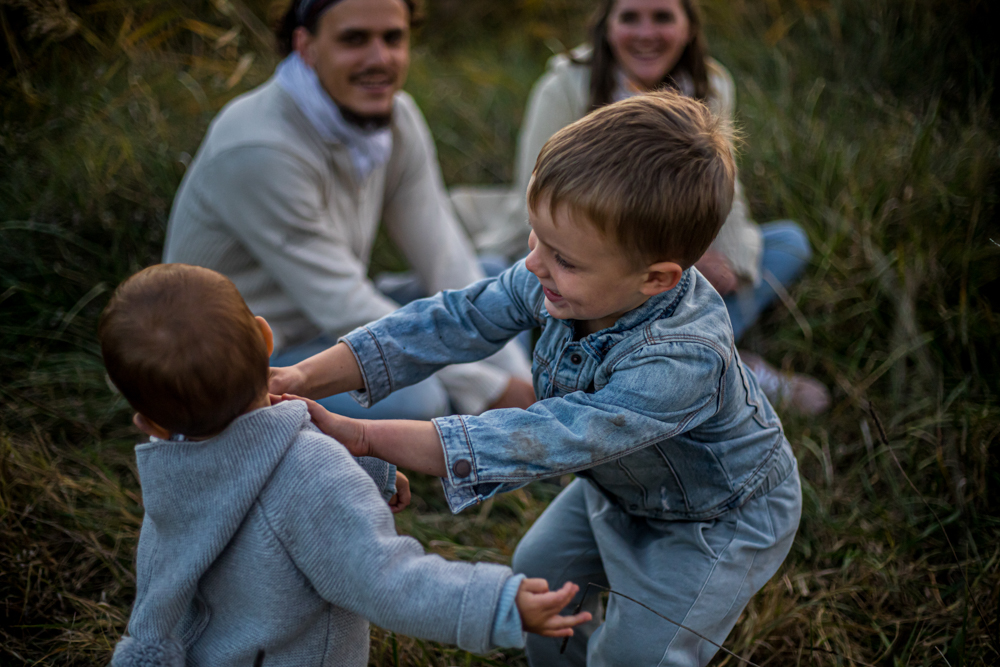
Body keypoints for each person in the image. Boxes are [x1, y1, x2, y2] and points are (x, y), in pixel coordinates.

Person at [270, 91, 803, 666]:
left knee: (638, 656)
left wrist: (367, 437)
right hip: (619, 491)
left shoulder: (679, 361)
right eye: (535, 237)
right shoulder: (559, 276)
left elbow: (544, 438)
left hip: (714, 518)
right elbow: (454, 320)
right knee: (541, 587)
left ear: (656, 278)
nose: (533, 265)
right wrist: (303, 374)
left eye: (564, 259)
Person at [100, 263, 591, 666]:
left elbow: (161, 602)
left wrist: (366, 477)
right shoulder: (309, 473)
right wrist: (497, 604)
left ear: (149, 424)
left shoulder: (172, 477)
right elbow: (386, 580)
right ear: (265, 338)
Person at [450, 0, 829, 414]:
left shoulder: (712, 85)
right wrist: (636, 264)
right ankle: (688, 366)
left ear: (687, 26)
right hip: (584, 267)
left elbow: (726, 197)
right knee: (493, 276)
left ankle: (700, 354)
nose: (646, 34)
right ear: (608, 26)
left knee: (788, 243)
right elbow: (536, 194)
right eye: (630, 17)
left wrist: (726, 264)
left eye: (663, 17)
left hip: (666, 271)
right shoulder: (565, 85)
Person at [163, 0, 534, 422]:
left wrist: (522, 388)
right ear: (306, 46)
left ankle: (473, 419)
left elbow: (444, 258)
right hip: (247, 355)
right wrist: (490, 389)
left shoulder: (399, 118)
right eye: (354, 39)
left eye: (393, 38)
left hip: (328, 326)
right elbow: (345, 305)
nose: (379, 59)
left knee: (495, 283)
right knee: (417, 400)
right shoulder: (260, 148)